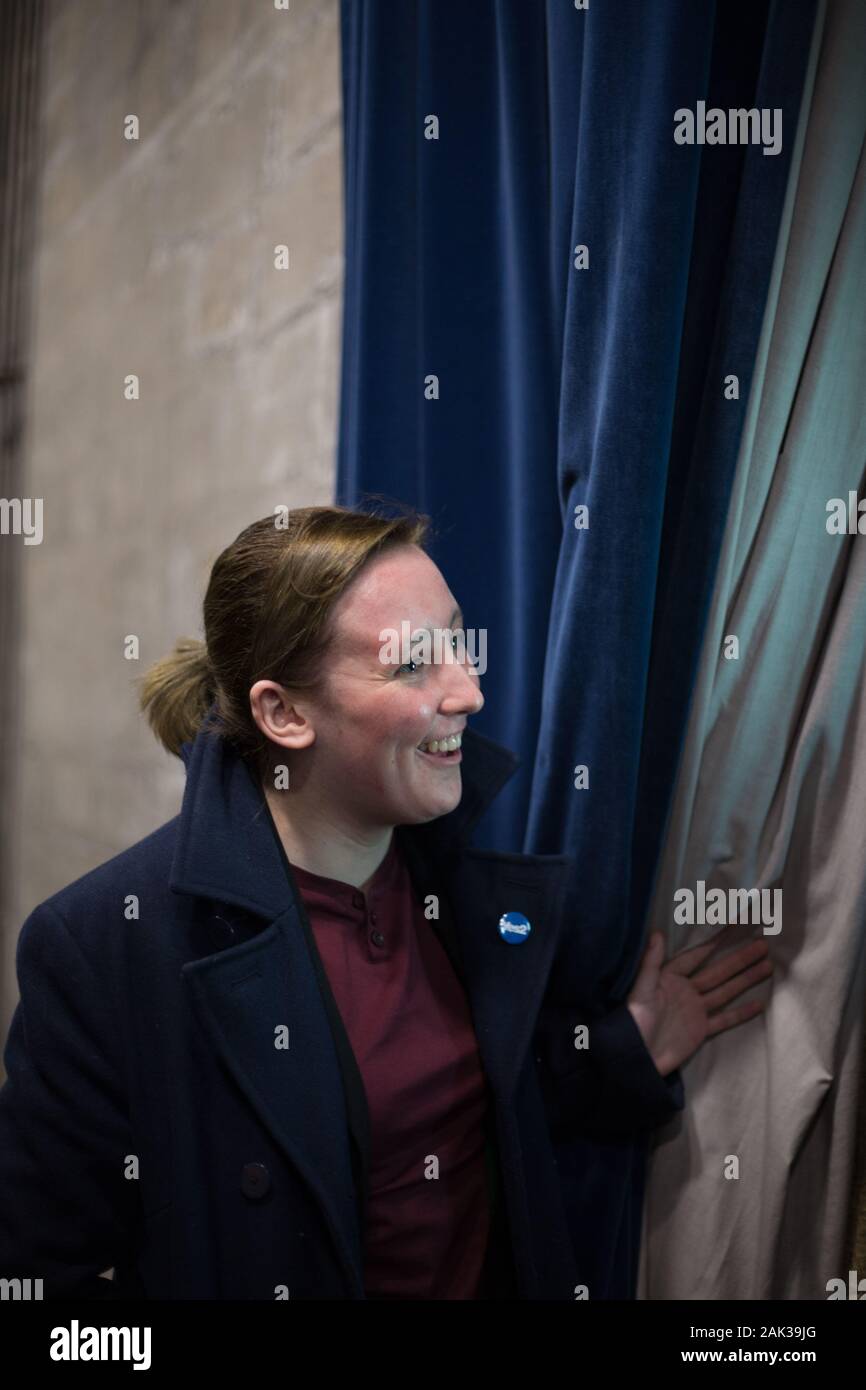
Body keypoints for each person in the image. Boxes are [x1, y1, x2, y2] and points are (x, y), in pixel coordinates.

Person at [0, 505, 772, 1300]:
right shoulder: (104, 944)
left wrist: (618, 1055)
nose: (469, 692)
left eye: (459, 645)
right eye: (412, 666)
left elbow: (464, 1109)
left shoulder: (458, 884)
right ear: (285, 714)